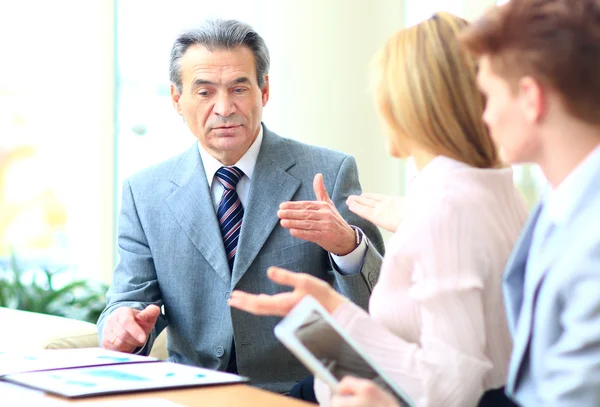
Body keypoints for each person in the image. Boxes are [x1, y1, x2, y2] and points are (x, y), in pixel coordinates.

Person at [229, 12, 528, 407]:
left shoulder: (445, 209)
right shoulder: (497, 192)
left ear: (410, 105)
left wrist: (339, 314)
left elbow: (453, 388)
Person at [96, 19, 385, 394]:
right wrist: (121, 325)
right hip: (190, 392)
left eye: (239, 88)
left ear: (263, 91)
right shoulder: (144, 192)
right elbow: (127, 300)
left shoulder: (329, 173)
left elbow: (381, 309)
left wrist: (348, 247)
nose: (224, 107)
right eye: (204, 91)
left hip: (301, 391)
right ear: (176, 99)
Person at [460, 0, 600, 405]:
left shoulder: (593, 248)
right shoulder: (561, 199)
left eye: (488, 96)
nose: (484, 117)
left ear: (529, 97)